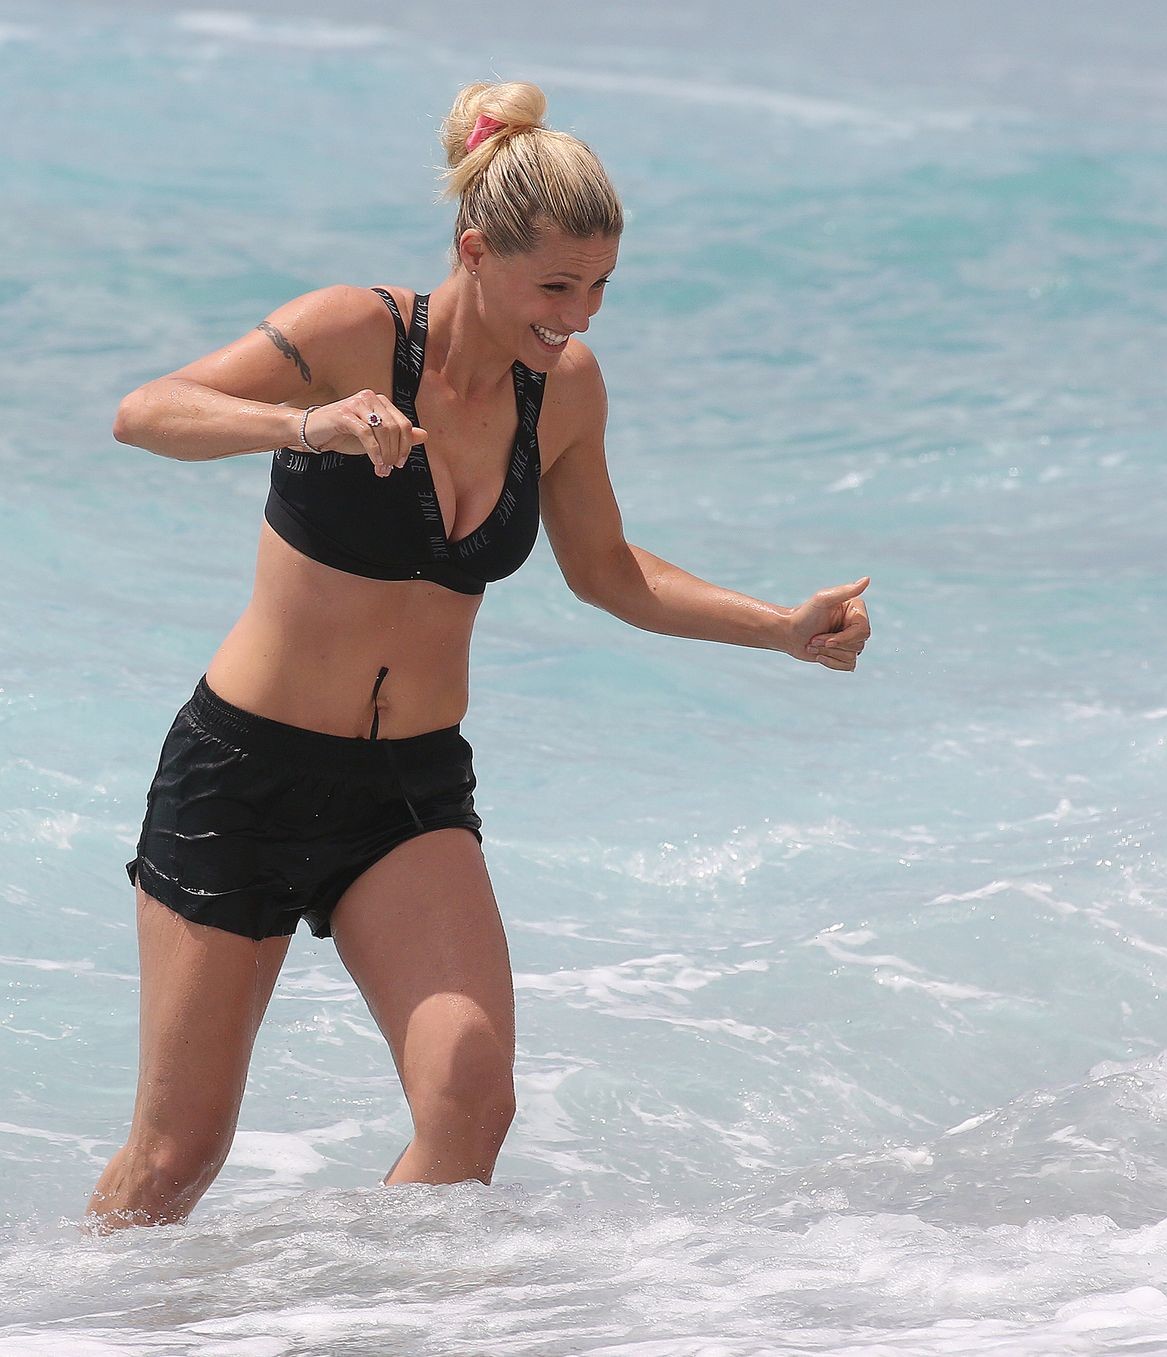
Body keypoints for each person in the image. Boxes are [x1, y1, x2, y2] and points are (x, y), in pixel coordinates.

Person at [86, 81, 872, 1231]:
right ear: (475, 252)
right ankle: (75, 1315)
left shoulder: (565, 393)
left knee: (469, 1099)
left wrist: (779, 626)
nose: (580, 316)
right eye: (556, 286)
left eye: (600, 287)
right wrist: (304, 423)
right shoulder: (352, 331)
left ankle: (352, 1312)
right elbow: (147, 410)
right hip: (242, 775)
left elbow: (607, 571)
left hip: (406, 792)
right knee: (174, 1159)